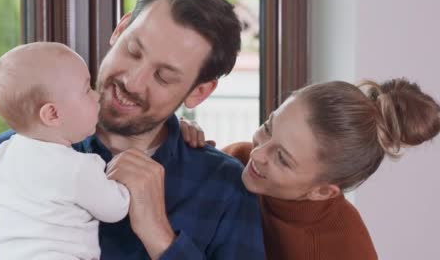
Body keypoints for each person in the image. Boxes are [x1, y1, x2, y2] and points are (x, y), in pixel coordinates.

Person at [0, 0, 265, 259]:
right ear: (120, 28)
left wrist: (160, 235)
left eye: (164, 77)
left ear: (199, 92)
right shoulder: (14, 152)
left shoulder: (223, 187)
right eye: (134, 51)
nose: (133, 82)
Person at [181, 78, 440, 260]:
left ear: (323, 192)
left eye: (283, 159)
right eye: (269, 127)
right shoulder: (240, 159)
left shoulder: (343, 249)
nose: (258, 153)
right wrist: (178, 143)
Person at [0, 42, 131, 259]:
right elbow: (115, 209)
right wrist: (126, 180)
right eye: (86, 90)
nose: (97, 95)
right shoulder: (80, 168)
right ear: (52, 114)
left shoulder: (4, 155)